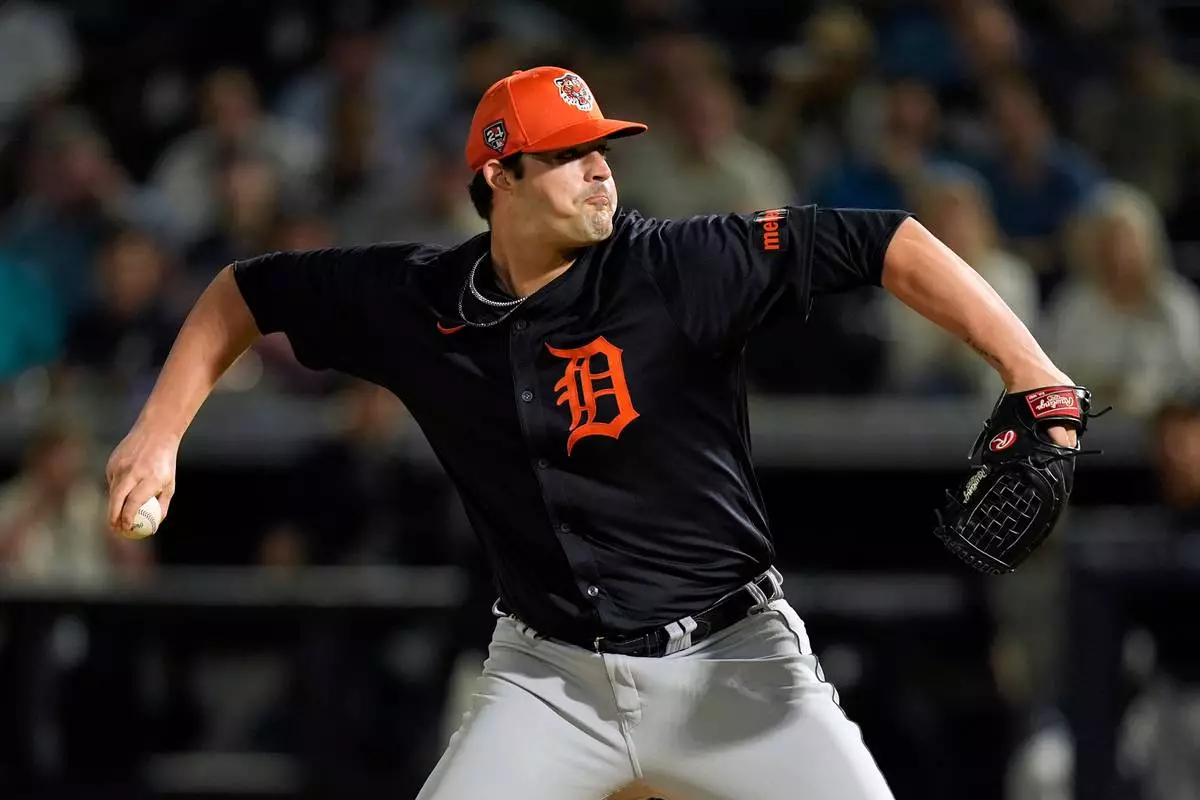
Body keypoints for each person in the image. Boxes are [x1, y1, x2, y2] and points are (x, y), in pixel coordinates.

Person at [104, 66, 1078, 799]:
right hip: (548, 674)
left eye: (601, 144)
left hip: (733, 660)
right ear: (500, 173)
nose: (600, 166)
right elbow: (248, 291)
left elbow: (882, 241)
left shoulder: (677, 267)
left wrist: (1031, 370)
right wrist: (159, 432)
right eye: (570, 153)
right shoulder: (418, 296)